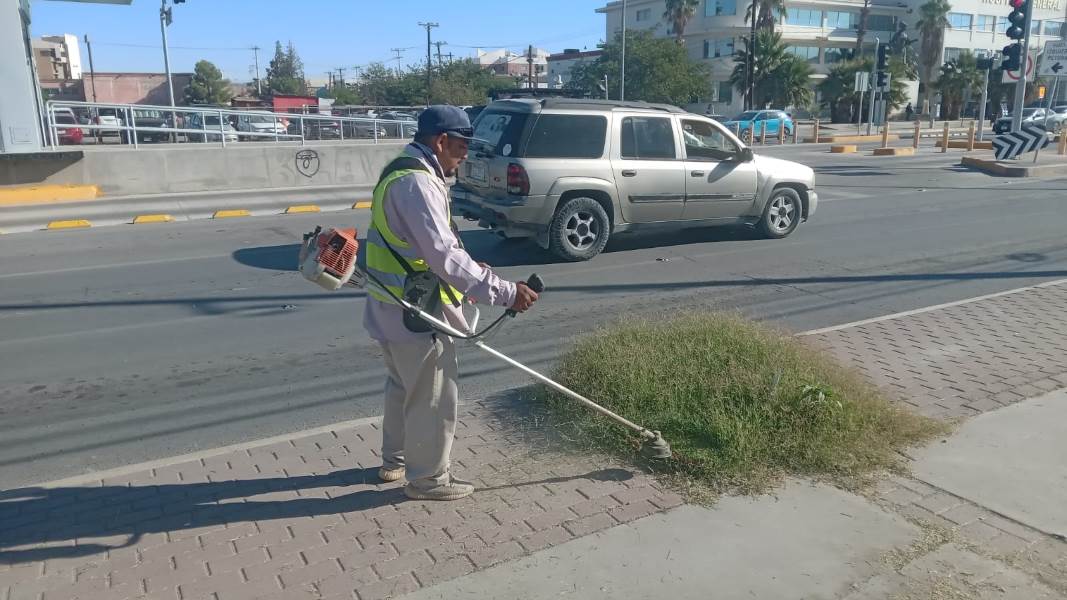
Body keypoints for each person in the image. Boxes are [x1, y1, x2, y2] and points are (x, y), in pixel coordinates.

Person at [363, 105, 540, 501]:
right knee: (432, 396)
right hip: (416, 312)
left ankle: (394, 460)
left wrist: (471, 267)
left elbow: (421, 245)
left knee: (401, 386)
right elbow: (444, 257)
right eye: (461, 147)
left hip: (388, 303)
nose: (465, 155)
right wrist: (505, 291)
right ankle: (427, 480)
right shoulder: (419, 184)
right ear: (440, 141)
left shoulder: (400, 168)